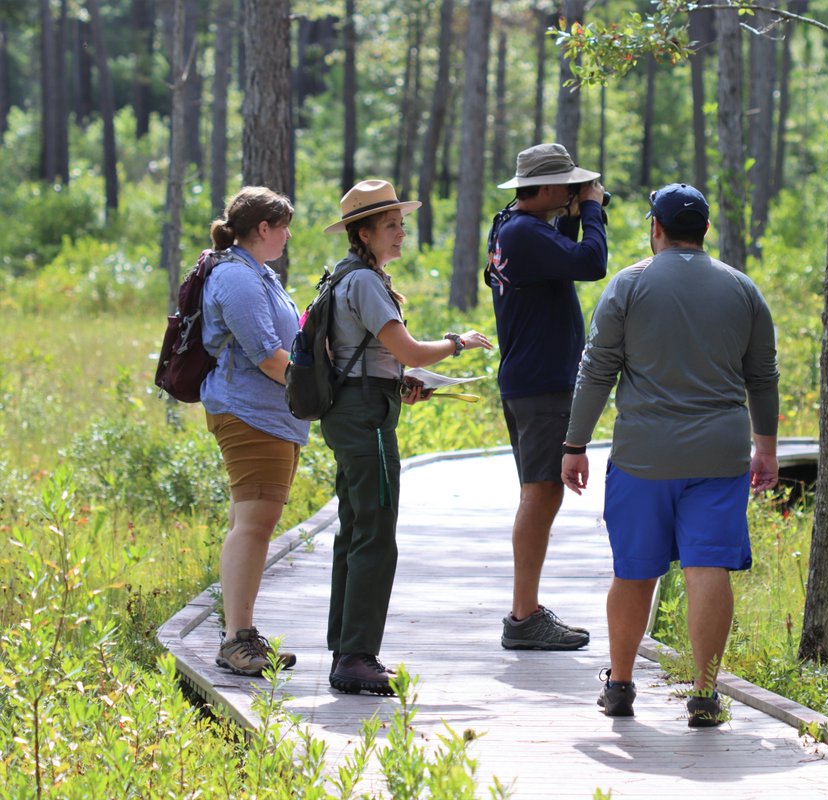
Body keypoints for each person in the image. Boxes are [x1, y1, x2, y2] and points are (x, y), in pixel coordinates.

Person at [560, 183, 780, 727]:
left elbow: (596, 372)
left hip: (643, 457)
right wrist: (766, 446)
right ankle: (704, 694)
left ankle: (621, 684)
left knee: (635, 571)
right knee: (709, 567)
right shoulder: (743, 289)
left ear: (655, 228)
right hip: (721, 456)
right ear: (705, 230)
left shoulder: (628, 286)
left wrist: (575, 443)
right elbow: (763, 377)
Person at [322, 179, 492, 695]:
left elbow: (373, 356)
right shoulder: (366, 283)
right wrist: (457, 343)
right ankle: (356, 657)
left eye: (401, 223)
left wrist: (398, 382)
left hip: (353, 409)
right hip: (366, 417)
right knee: (374, 531)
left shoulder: (344, 277)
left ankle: (346, 650)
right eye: (391, 225)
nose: (401, 232)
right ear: (364, 232)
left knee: (354, 529)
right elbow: (413, 350)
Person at [486, 143, 609, 651]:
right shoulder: (524, 232)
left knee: (540, 491)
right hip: (541, 383)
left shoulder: (509, 226)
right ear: (548, 187)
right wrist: (594, 211)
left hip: (528, 378)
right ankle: (523, 617)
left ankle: (526, 611)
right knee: (541, 492)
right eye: (569, 184)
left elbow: (558, 261)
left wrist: (574, 212)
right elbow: (591, 262)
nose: (575, 191)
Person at [202, 186, 307, 677]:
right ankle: (236, 640)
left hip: (272, 415)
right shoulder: (237, 278)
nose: (287, 235)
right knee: (254, 523)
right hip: (250, 414)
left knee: (253, 523)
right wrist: (318, 392)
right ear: (262, 229)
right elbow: (266, 355)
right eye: (282, 226)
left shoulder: (260, 275)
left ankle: (241, 632)